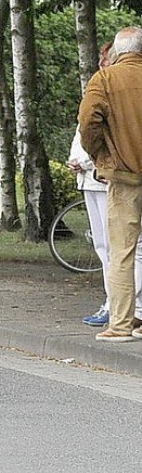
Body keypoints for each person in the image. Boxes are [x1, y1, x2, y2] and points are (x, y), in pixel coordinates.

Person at [79, 26, 142, 342]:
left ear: (118, 52)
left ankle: (120, 324)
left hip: (124, 175)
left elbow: (88, 122)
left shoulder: (104, 80)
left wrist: (99, 152)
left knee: (122, 252)